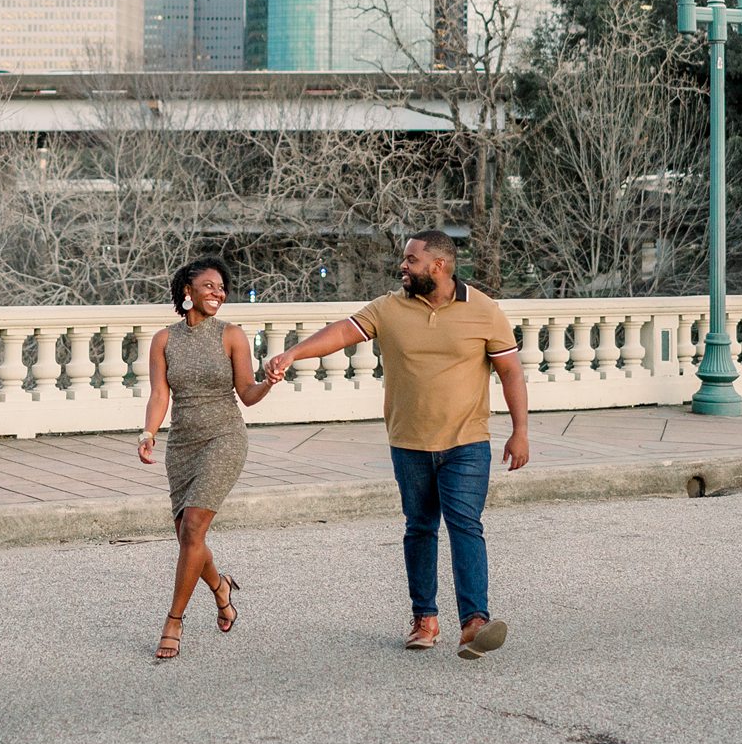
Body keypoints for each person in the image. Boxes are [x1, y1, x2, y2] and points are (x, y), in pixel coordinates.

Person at [263, 230, 530, 659]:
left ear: (438, 266)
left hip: (467, 441)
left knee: (465, 526)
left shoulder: (484, 311)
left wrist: (520, 432)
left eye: (411, 260)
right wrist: (294, 353)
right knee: (419, 528)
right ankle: (424, 618)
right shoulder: (388, 308)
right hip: (408, 442)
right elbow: (341, 333)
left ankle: (474, 622)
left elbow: (511, 373)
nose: (403, 267)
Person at [139, 255, 274, 659]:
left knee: (195, 526)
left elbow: (247, 395)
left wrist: (267, 382)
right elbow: (160, 394)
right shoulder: (164, 339)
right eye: (210, 286)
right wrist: (148, 433)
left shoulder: (231, 335)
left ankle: (173, 621)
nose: (218, 292)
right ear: (188, 290)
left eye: (222, 287)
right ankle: (221, 588)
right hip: (182, 443)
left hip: (224, 437)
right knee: (187, 536)